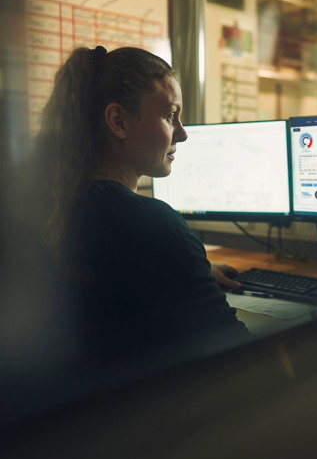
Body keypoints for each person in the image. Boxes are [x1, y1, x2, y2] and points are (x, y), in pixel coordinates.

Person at [28, 45, 250, 366]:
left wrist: (190, 271)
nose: (183, 133)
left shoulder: (59, 206)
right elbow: (242, 355)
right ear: (118, 120)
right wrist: (180, 258)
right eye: (170, 115)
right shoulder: (151, 223)